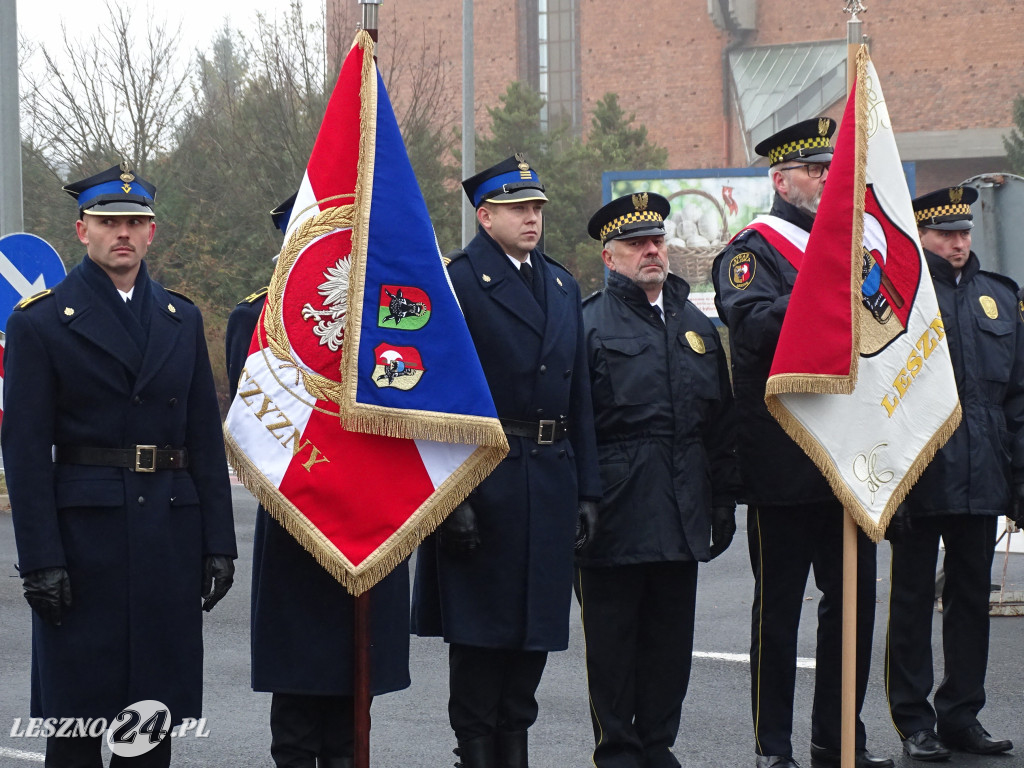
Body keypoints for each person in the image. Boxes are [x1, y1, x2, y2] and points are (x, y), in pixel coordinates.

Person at [1, 162, 237, 768]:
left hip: (166, 531)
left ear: (152, 233)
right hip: (85, 540)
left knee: (149, 724)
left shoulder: (180, 320)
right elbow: (25, 454)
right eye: (109, 222)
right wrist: (42, 560)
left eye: (135, 222)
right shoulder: (41, 321)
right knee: (77, 725)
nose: (122, 233)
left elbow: (204, 439)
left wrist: (218, 541)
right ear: (82, 230)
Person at [411, 154, 601, 768]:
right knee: (480, 646)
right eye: (519, 208)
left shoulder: (562, 284)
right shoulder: (458, 282)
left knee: (530, 648)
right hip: (484, 479)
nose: (532, 218)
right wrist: (452, 499)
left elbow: (581, 400)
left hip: (548, 476)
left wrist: (587, 491)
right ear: (484, 215)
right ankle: (475, 753)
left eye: (538, 208)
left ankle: (513, 752)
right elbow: (438, 394)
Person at [712, 119, 892, 768]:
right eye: (814, 171)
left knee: (852, 611)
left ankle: (839, 738)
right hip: (784, 459)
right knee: (779, 616)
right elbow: (752, 325)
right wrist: (822, 288)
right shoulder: (752, 250)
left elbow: (882, 326)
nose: (824, 180)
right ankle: (773, 746)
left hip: (849, 460)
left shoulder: (853, 248)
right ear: (780, 180)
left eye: (829, 169)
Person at [225, 192, 411, 768]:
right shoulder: (254, 318)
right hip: (298, 522)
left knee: (355, 711)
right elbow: (257, 425)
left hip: (371, 518)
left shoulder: (383, 317)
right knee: (300, 703)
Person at [576, 191, 739, 768]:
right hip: (618, 511)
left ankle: (657, 745)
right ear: (609, 256)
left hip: (682, 504)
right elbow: (578, 424)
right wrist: (584, 496)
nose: (651, 251)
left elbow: (719, 422)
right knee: (615, 645)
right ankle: (618, 750)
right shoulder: (589, 324)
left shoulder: (694, 326)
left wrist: (724, 500)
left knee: (670, 645)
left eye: (657, 241)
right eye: (635, 244)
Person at [884, 186, 1023, 761]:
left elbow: (1016, 399)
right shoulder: (901, 298)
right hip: (923, 471)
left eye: (964, 232)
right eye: (946, 233)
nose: (958, 242)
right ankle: (914, 721)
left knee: (971, 598)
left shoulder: (1001, 298)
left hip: (983, 472)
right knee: (913, 599)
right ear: (922, 237)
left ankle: (962, 714)